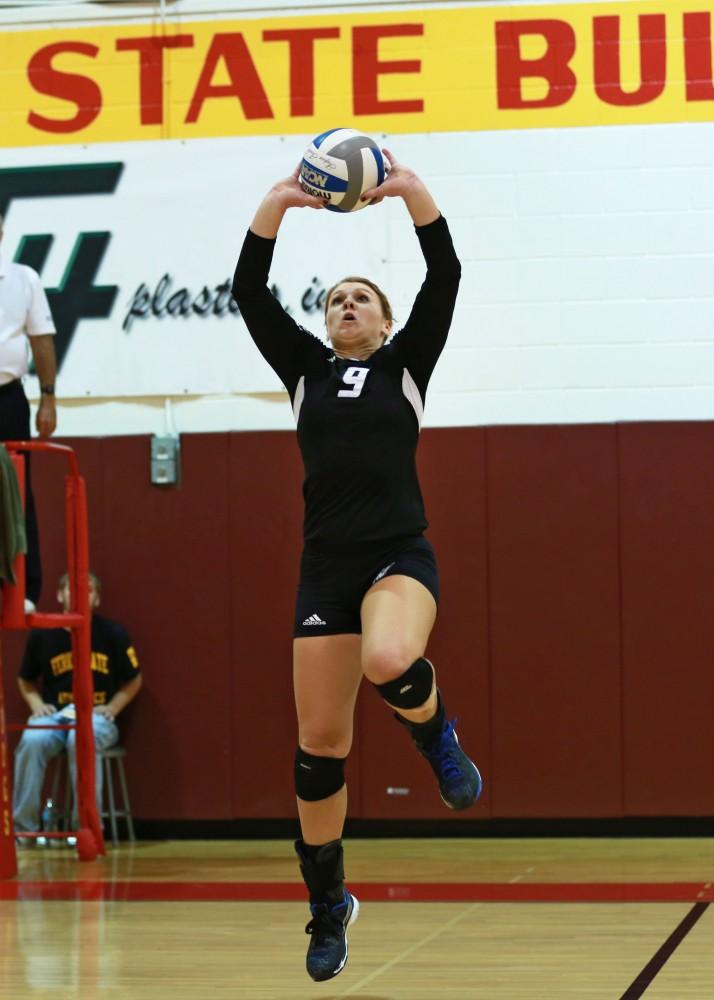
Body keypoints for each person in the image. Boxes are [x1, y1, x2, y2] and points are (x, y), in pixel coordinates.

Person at [232, 149, 482, 982]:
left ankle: (438, 736)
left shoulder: (406, 366)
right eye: (336, 299)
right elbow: (247, 294)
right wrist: (275, 205)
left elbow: (444, 272)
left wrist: (415, 193)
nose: (346, 306)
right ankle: (328, 909)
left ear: (382, 322)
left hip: (397, 554)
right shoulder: (304, 371)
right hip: (325, 569)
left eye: (361, 299)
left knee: (388, 658)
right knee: (318, 749)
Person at [13, 571, 142, 839]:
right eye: (73, 588)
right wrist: (36, 704)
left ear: (97, 599)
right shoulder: (43, 635)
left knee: (80, 738)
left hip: (96, 718)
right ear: (60, 595)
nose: (82, 594)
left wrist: (114, 708)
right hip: (57, 714)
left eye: (90, 590)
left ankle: (84, 828)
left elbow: (133, 679)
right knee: (32, 740)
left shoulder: (112, 633)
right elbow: (25, 679)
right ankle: (22, 831)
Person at [0, 211, 57, 611]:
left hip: (8, 398)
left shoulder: (23, 279)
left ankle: (26, 588)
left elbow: (42, 339)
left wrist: (48, 397)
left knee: (18, 490)